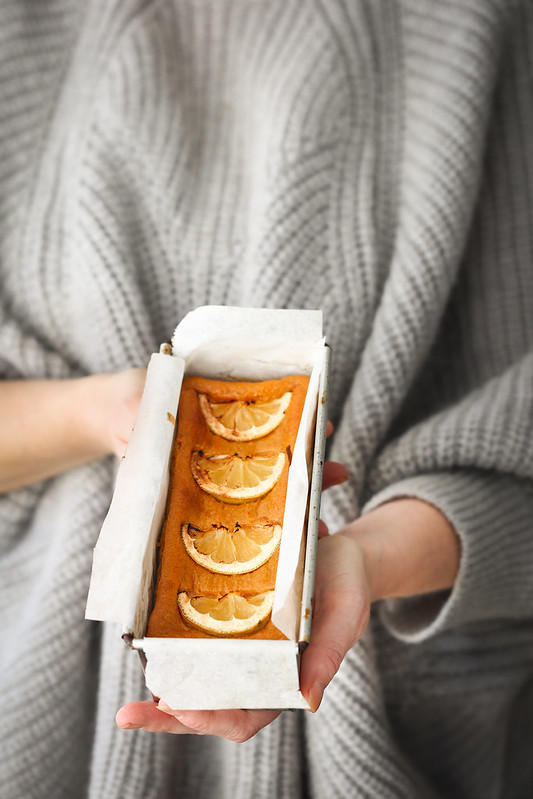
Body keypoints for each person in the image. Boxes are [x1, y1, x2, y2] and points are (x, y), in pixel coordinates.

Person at [1, 1, 532, 797]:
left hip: (389, 711)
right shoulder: (24, 30)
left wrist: (358, 558)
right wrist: (100, 408)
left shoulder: (479, 29)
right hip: (39, 695)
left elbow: (513, 444)